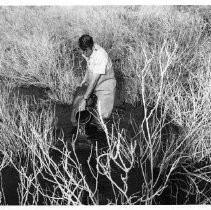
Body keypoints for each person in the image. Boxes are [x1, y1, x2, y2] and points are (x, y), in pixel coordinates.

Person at [77, 34, 116, 131]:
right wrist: (85, 78)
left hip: (105, 85)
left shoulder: (101, 55)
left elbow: (94, 81)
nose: (83, 53)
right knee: (87, 109)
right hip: (94, 84)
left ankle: (104, 139)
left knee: (103, 116)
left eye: (85, 51)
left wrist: (85, 100)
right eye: (82, 50)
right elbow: (89, 65)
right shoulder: (87, 51)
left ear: (91, 47)